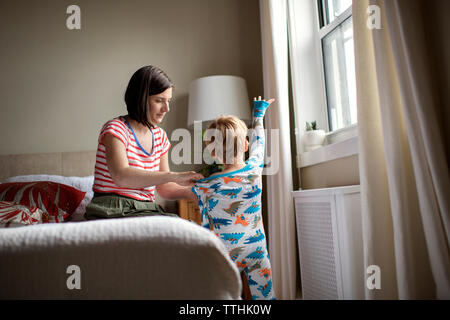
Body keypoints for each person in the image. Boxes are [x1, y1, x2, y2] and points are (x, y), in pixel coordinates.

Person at [85, 65, 203, 220]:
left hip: (145, 207)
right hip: (111, 206)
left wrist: (191, 191)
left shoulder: (160, 136)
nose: (166, 108)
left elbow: (164, 187)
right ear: (140, 98)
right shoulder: (115, 129)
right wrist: (176, 175)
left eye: (168, 101)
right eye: (159, 101)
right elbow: (121, 176)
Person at [192, 96, 276, 300]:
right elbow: (260, 141)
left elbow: (198, 210)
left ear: (213, 152)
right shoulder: (255, 168)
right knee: (265, 296)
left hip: (225, 252)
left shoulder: (206, 186)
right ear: (245, 145)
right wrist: (258, 114)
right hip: (256, 248)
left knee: (222, 295)